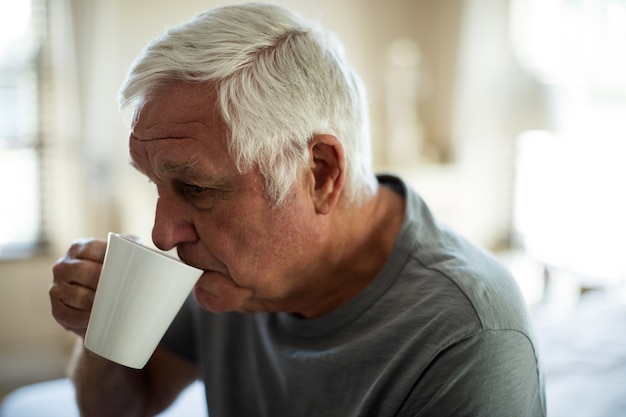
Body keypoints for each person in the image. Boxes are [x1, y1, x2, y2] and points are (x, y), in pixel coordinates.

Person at [49, 3, 545, 416]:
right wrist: (100, 329)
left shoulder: (468, 338)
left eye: (196, 187)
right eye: (156, 184)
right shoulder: (224, 274)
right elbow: (123, 407)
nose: (163, 234)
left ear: (322, 172)